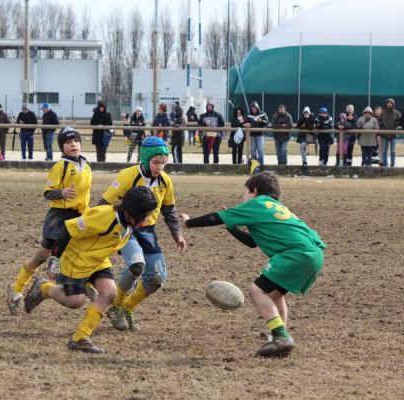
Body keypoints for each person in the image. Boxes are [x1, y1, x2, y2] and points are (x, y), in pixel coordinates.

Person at [180, 172, 325, 358]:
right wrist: (232, 227)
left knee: (257, 291)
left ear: (253, 191)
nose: (244, 198)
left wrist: (189, 223)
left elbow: (216, 217)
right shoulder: (275, 207)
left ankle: (282, 337)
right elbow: (252, 242)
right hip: (314, 253)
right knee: (275, 295)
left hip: (295, 254)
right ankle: (279, 338)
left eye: (245, 193)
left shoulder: (256, 203)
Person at [23, 186, 158, 354]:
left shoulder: (129, 223)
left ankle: (80, 338)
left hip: (98, 261)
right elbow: (67, 230)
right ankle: (43, 288)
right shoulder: (104, 216)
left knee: (109, 293)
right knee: (76, 301)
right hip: (76, 260)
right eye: (146, 214)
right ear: (133, 212)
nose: (149, 217)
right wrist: (55, 258)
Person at [103, 137, 187, 331]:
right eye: (156, 162)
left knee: (157, 277)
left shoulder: (165, 181)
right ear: (145, 159)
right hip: (126, 228)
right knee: (137, 265)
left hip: (148, 231)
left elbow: (169, 210)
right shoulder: (128, 176)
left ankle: (127, 307)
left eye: (164, 163)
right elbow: (104, 203)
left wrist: (177, 235)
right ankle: (115, 306)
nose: (160, 167)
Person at [7, 127, 92, 315]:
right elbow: (47, 192)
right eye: (68, 142)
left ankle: (87, 285)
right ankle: (16, 289)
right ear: (62, 146)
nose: (73, 144)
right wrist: (61, 193)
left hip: (78, 218)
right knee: (41, 257)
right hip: (59, 218)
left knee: (80, 253)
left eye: (76, 141)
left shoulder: (85, 164)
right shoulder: (60, 167)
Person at [379, 99, 401, 167]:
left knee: (393, 151)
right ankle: (385, 164)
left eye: (391, 103)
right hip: (384, 135)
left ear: (393, 104)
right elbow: (379, 121)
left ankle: (392, 164)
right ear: (386, 104)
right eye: (388, 103)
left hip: (393, 135)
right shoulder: (382, 112)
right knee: (384, 151)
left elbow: (400, 121)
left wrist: (396, 123)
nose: (389, 104)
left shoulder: (396, 112)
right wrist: (382, 124)